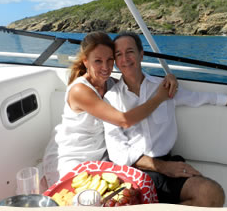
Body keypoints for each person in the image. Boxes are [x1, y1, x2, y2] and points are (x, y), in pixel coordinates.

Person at [102, 31, 227, 207]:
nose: (125, 59)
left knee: (212, 194)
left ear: (141, 54)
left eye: (130, 51)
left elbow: (198, 97)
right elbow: (117, 152)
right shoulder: (111, 98)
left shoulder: (165, 87)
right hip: (134, 172)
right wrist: (163, 167)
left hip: (167, 163)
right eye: (119, 54)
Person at [42, 31, 178, 188]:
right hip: (75, 155)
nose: (106, 67)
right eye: (98, 61)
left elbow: (133, 81)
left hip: (102, 156)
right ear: (86, 61)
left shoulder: (110, 84)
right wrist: (160, 97)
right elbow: (124, 120)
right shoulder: (80, 90)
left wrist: (169, 78)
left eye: (110, 60)